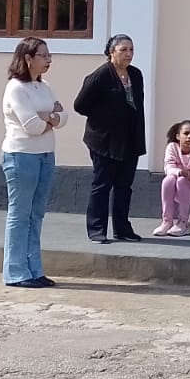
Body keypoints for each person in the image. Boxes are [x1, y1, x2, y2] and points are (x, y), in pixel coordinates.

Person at [0, 37, 67, 288]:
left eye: (49, 55)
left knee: (36, 214)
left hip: (45, 156)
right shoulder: (16, 88)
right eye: (43, 55)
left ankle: (34, 268)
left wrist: (49, 116)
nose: (49, 60)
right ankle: (16, 272)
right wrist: (51, 118)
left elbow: (65, 115)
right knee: (20, 214)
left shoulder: (44, 86)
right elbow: (32, 126)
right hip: (21, 156)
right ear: (28, 58)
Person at [72, 34, 146, 244]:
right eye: (123, 50)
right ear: (111, 52)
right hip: (105, 141)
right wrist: (105, 116)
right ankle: (97, 229)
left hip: (130, 139)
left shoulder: (136, 74)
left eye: (131, 50)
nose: (128, 54)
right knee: (102, 185)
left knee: (124, 186)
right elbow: (80, 105)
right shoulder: (101, 75)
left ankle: (122, 228)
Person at [155, 120, 190, 236]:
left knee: (182, 181)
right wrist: (181, 172)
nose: (189, 137)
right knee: (168, 179)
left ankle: (184, 222)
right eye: (186, 133)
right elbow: (168, 168)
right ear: (178, 136)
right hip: (176, 190)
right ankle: (167, 221)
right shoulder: (172, 147)